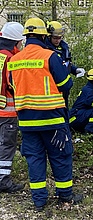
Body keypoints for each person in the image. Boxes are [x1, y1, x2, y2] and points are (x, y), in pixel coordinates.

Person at [7, 17, 83, 211]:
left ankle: (39, 200)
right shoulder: (49, 56)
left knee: (35, 159)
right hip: (53, 119)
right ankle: (65, 195)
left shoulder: (14, 60)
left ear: (25, 37)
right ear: (44, 36)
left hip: (26, 122)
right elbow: (66, 84)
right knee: (60, 156)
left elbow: (10, 86)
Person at [0, 22, 25, 193]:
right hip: (6, 110)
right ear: (15, 42)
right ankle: (3, 180)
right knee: (7, 145)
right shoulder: (10, 58)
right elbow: (13, 84)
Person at [46, 21, 85, 108]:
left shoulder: (63, 47)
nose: (58, 40)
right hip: (53, 88)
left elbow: (65, 63)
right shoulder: (46, 49)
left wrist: (75, 70)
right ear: (49, 36)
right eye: (55, 38)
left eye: (60, 38)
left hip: (65, 88)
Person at [69, 68, 93, 134]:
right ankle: (89, 132)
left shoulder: (88, 89)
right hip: (74, 118)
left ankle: (87, 130)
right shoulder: (89, 92)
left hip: (76, 117)